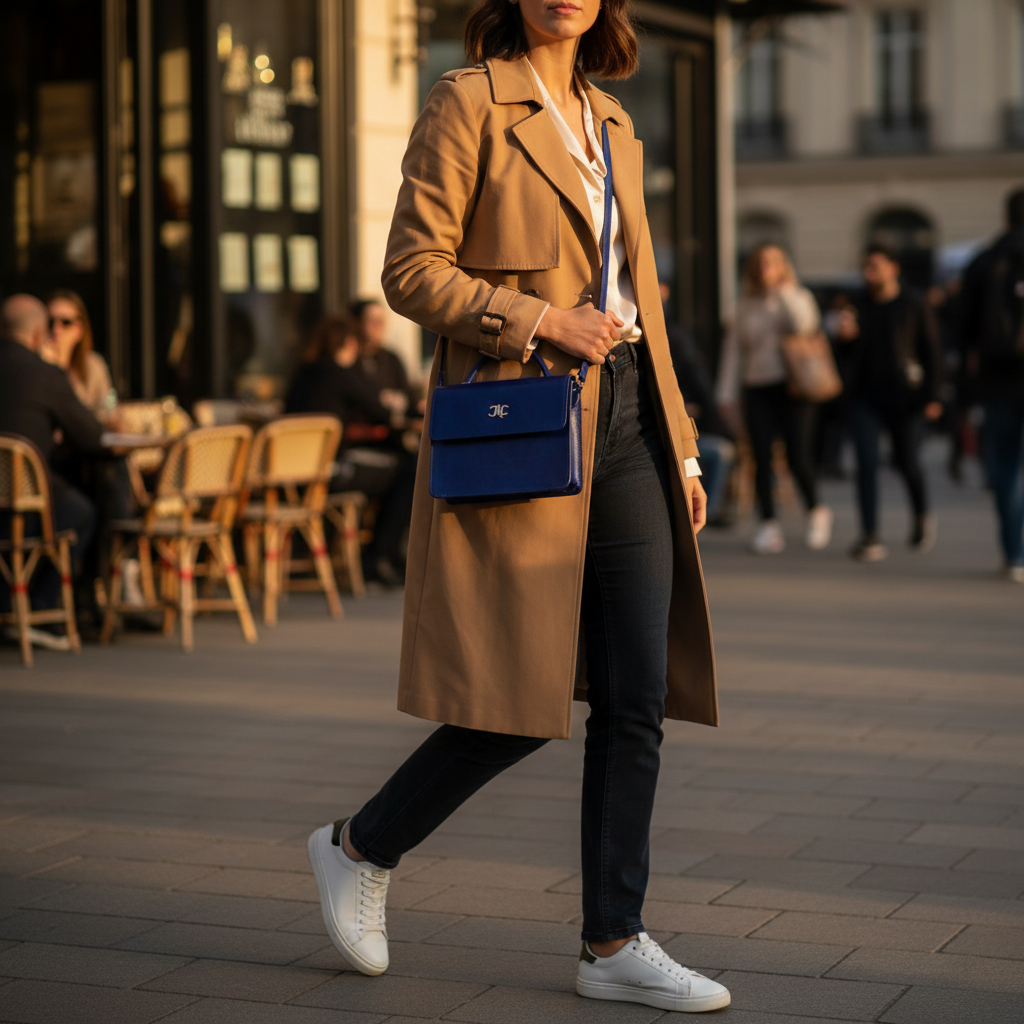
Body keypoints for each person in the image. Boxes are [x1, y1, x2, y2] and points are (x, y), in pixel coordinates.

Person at [303, 0, 730, 1014]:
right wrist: (536, 317)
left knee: (633, 694)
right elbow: (411, 272)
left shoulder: (613, 119)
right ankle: (360, 845)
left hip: (629, 417)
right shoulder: (468, 102)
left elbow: (646, 298)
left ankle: (612, 940)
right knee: (523, 689)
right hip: (529, 409)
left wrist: (681, 444)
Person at [0, 294, 104, 646]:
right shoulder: (45, 375)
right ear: (37, 335)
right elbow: (91, 436)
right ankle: (39, 608)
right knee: (82, 511)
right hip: (25, 504)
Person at [716, 244, 833, 554]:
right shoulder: (745, 305)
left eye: (772, 262)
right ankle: (768, 524)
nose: (765, 267)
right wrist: (726, 394)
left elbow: (805, 326)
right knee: (760, 456)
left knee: (797, 455)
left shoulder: (797, 297)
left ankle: (817, 510)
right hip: (757, 387)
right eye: (760, 262)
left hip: (794, 388)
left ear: (783, 266)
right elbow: (734, 353)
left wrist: (782, 293)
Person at [286, 313, 418, 587]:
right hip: (329, 474)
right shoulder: (339, 373)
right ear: (349, 343)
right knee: (409, 469)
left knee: (399, 466)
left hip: (289, 478)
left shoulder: (303, 373)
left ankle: (378, 556)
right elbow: (380, 409)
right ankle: (378, 557)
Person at [839, 245, 944, 562]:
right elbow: (844, 356)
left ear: (893, 268)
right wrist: (845, 338)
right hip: (865, 397)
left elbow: (932, 351)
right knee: (866, 465)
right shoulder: (857, 304)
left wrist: (934, 396)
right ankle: (870, 535)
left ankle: (921, 515)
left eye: (876, 266)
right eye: (865, 267)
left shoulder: (913, 303)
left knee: (907, 462)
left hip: (906, 397)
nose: (869, 273)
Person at [959, 187, 1024, 581]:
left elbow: (962, 327)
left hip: (998, 377)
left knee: (1005, 463)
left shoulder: (984, 260)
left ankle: (1014, 552)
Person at [661, 284, 736, 525]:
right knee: (717, 453)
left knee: (717, 452)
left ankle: (710, 508)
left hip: (690, 433)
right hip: (666, 435)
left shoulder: (676, 338)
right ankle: (708, 509)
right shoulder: (672, 338)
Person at [44, 290, 117, 419]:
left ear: (79, 329)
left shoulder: (93, 364)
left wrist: (113, 416)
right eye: (50, 322)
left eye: (66, 322)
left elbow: (109, 406)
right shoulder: (37, 364)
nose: (56, 329)